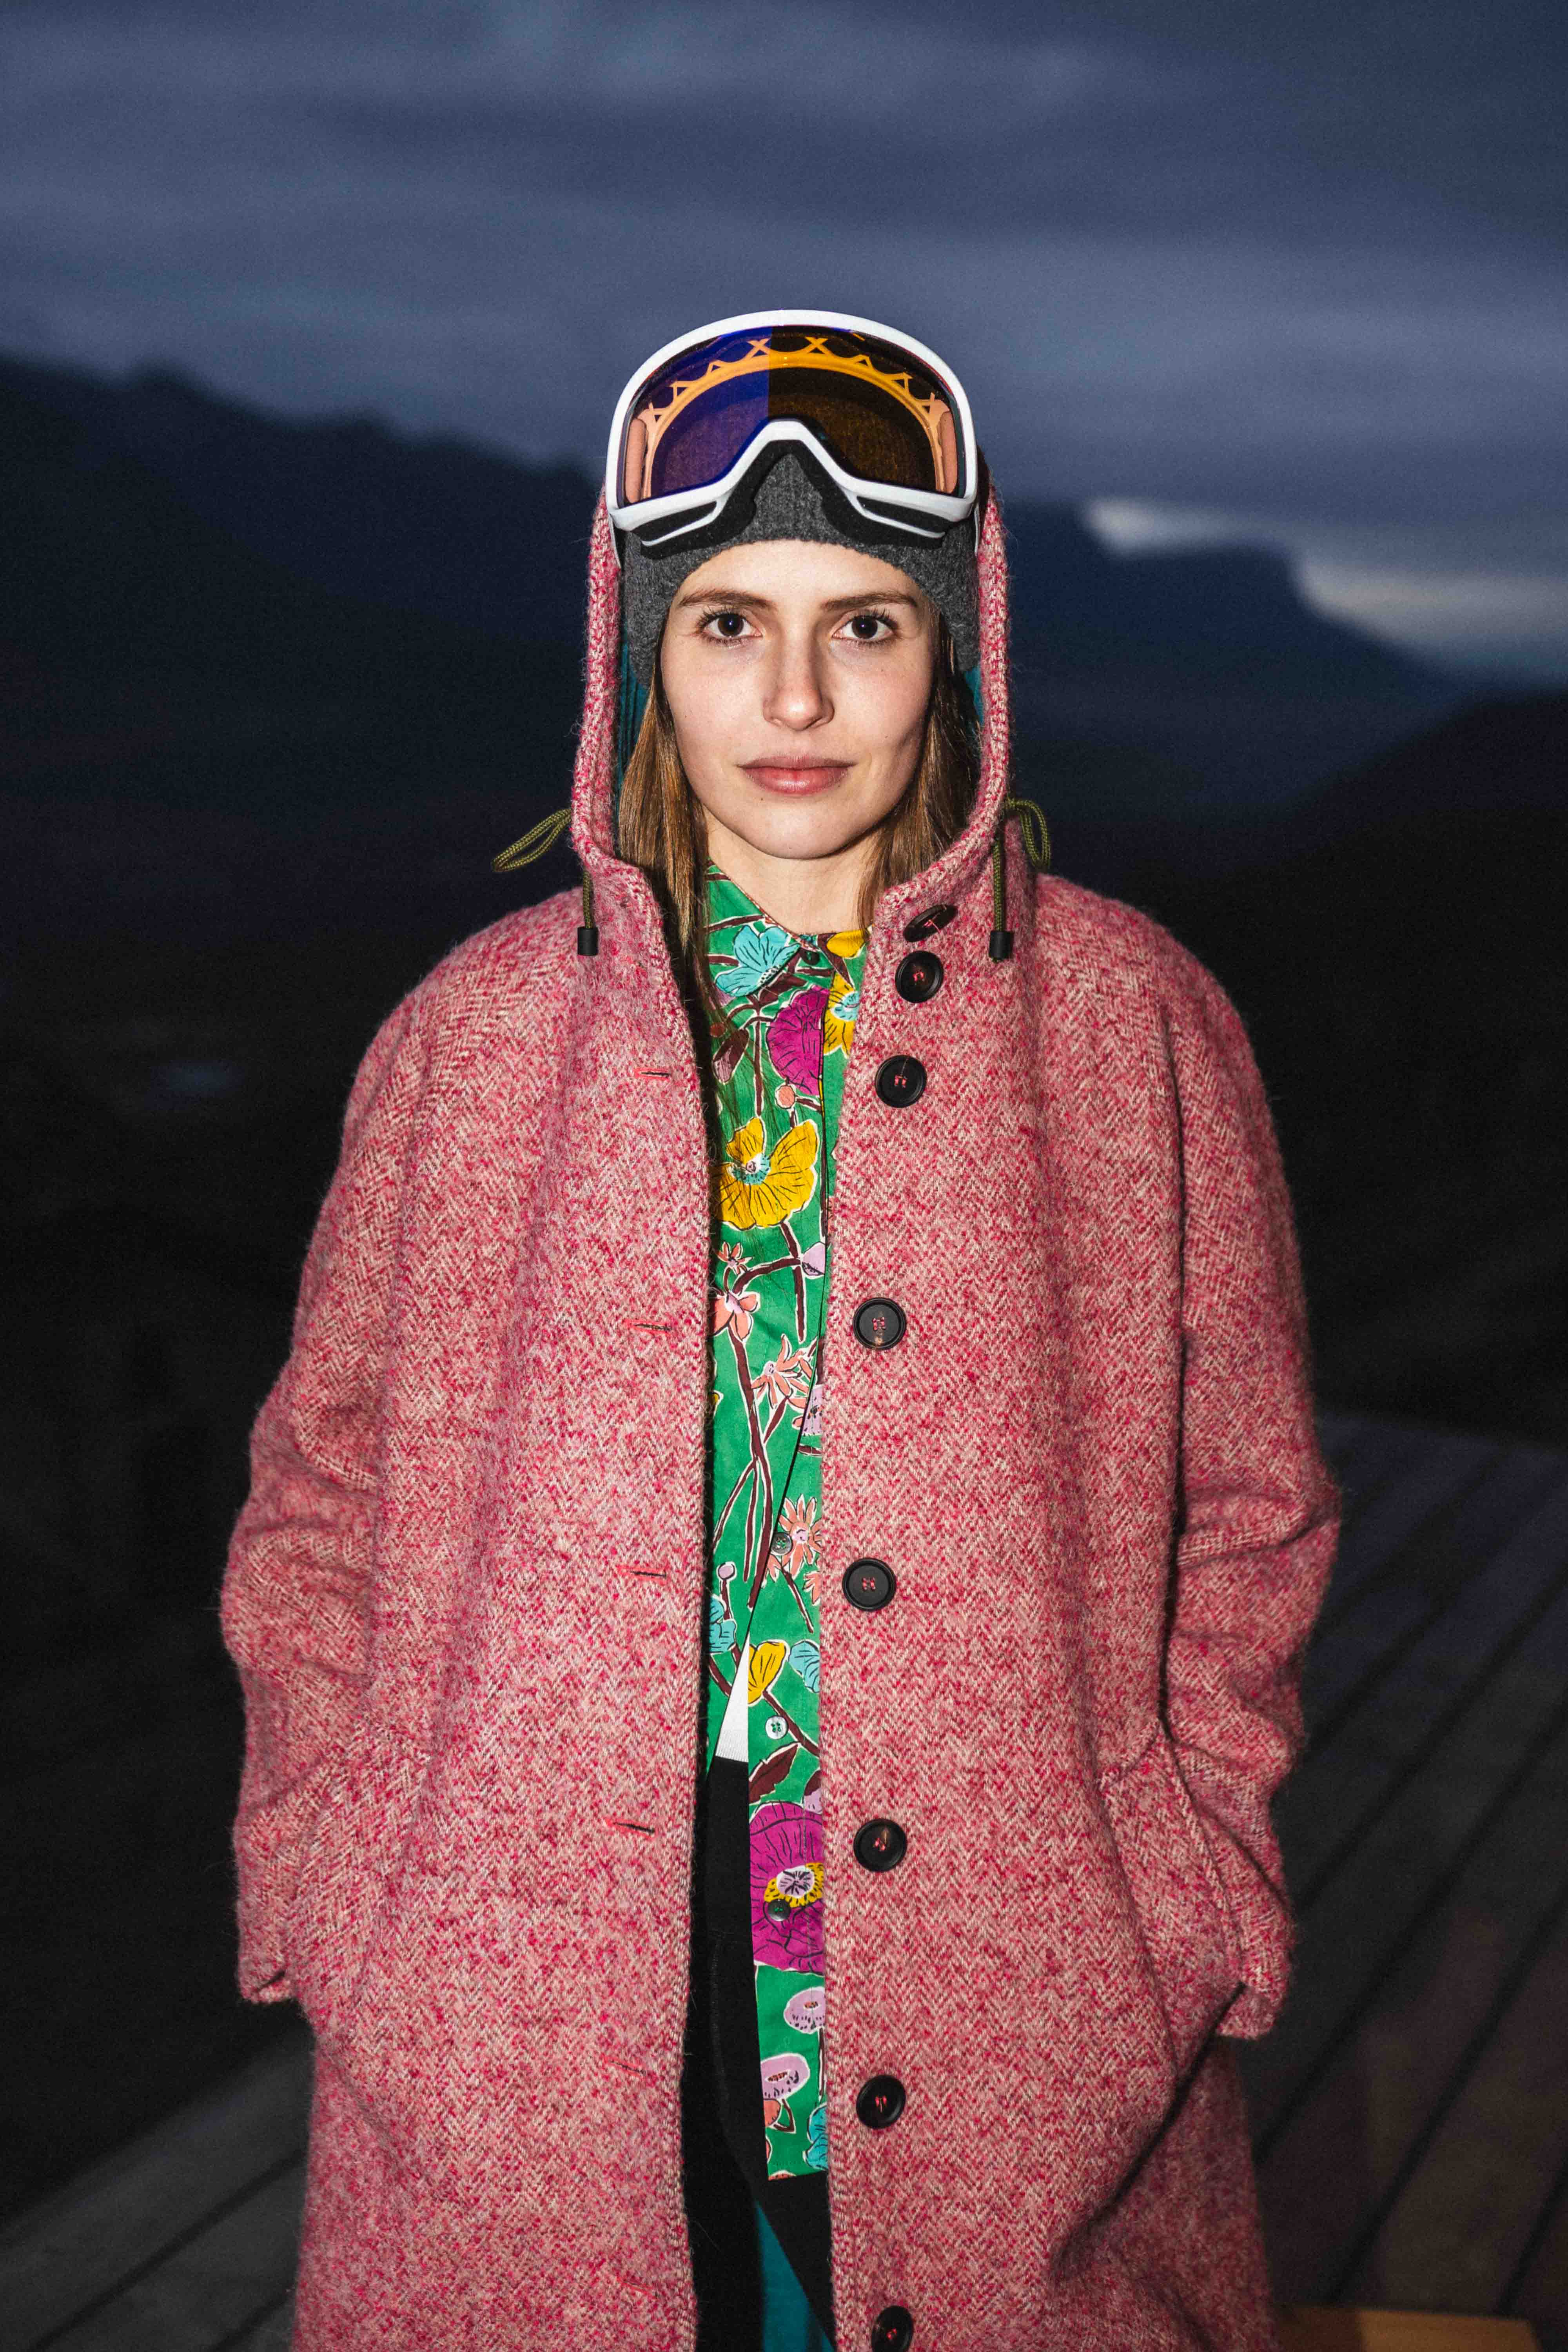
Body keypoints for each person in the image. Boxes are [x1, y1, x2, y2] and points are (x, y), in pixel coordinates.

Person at [220, 311, 1342, 2352]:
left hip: (1018, 1972)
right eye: (730, 623)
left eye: (866, 627)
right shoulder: (477, 1038)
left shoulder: (1131, 1027)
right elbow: (322, 1491)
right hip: (524, 1977)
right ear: (639, 649)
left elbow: (1251, 1509)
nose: (798, 697)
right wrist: (324, 1861)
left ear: (958, 650)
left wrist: (1187, 1887)